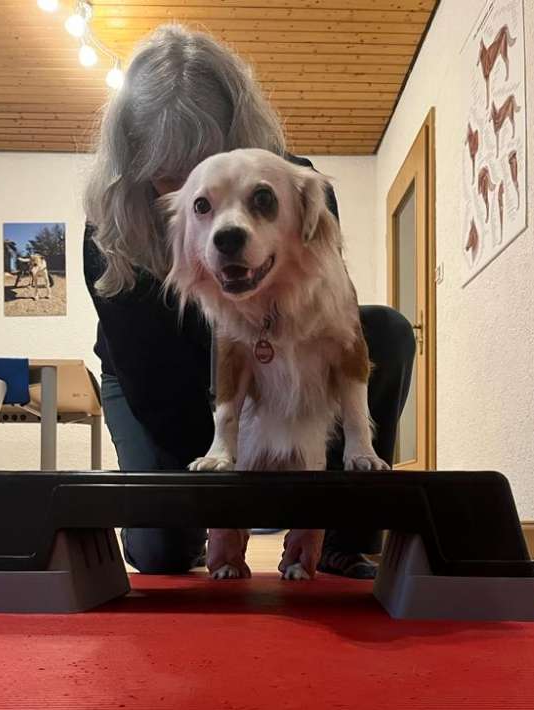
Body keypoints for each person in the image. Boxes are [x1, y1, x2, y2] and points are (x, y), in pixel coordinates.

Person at [84, 24, 415, 579]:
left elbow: (330, 323)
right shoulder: (110, 229)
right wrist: (227, 498)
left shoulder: (300, 187)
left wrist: (310, 501)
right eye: (170, 177)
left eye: (207, 161)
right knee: (161, 553)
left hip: (271, 350)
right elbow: (153, 384)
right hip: (156, 374)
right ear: (137, 164)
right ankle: (199, 527)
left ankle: (346, 533)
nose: (192, 188)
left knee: (385, 331)